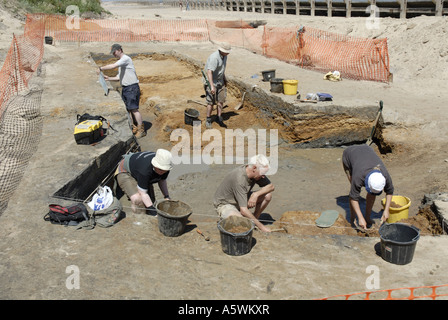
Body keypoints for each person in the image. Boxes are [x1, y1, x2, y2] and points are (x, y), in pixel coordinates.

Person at [213, 154, 274, 233]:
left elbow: (271, 187)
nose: (264, 177)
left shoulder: (256, 173)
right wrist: (262, 227)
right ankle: (250, 222)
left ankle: (253, 221)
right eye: (263, 173)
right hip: (226, 204)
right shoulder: (239, 179)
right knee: (240, 223)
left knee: (267, 195)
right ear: (254, 168)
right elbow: (243, 210)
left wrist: (256, 194)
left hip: (241, 198)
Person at [342, 144, 394, 230]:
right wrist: (360, 217)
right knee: (354, 191)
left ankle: (367, 217)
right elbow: (353, 197)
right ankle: (353, 219)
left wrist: (386, 210)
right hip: (350, 154)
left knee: (372, 194)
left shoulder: (385, 175)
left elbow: (389, 191)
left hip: (367, 150)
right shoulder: (358, 177)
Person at [98, 44, 146, 138]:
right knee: (129, 109)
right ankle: (135, 127)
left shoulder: (125, 59)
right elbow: (118, 77)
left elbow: (113, 66)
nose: (114, 55)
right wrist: (109, 78)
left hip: (132, 87)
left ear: (120, 50)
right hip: (126, 88)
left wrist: (101, 68)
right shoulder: (121, 63)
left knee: (134, 109)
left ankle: (141, 130)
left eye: (114, 52)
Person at [115, 149, 173, 215]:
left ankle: (149, 216)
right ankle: (140, 220)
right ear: (155, 164)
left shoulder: (166, 165)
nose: (162, 172)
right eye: (160, 169)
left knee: (150, 202)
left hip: (139, 169)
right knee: (138, 200)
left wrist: (166, 196)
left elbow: (162, 180)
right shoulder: (145, 171)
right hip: (126, 171)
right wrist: (153, 212)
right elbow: (143, 193)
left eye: (164, 170)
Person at [203, 44, 231, 129]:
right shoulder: (214, 58)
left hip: (220, 81)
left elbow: (221, 69)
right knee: (210, 102)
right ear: (221, 51)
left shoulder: (224, 56)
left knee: (221, 100)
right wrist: (211, 86)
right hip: (211, 81)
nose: (228, 53)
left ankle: (219, 117)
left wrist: (224, 79)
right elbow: (209, 72)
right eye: (226, 52)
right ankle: (208, 119)